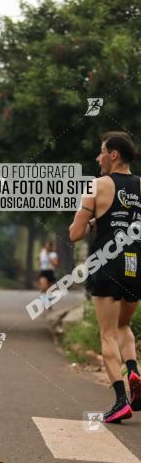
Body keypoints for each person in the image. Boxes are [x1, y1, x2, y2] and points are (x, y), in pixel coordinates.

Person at [70, 131, 141, 422]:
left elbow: (75, 234)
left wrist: (92, 222)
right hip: (135, 265)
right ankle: (134, 372)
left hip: (107, 265)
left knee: (107, 333)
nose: (98, 157)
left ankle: (121, 400)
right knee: (124, 325)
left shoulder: (96, 186)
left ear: (114, 154)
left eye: (101, 151)